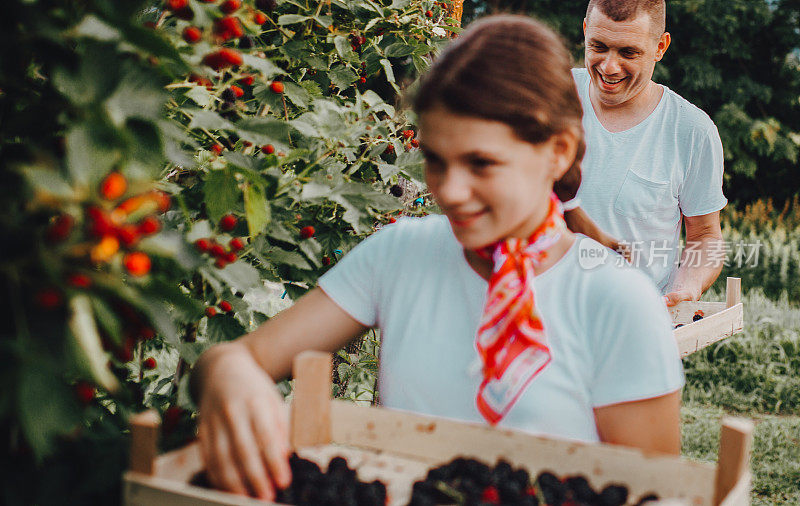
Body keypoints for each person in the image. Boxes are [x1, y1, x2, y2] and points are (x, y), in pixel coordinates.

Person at [191, 15, 684, 500]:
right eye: (435, 160)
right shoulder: (400, 256)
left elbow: (650, 493)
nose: (450, 191)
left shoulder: (617, 302)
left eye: (481, 163)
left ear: (557, 152)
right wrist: (229, 375)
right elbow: (235, 360)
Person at [574, 0, 727, 306]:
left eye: (628, 52)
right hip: (536, 324)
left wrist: (688, 287)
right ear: (586, 31)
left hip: (636, 324)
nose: (609, 66)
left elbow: (705, 236)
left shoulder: (691, 130)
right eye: (599, 46)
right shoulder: (547, 96)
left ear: (660, 47)